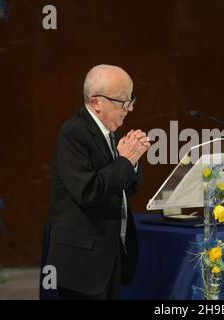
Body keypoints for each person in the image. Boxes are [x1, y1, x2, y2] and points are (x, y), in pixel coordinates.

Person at [46, 64, 150, 299]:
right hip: (82, 263)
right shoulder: (73, 133)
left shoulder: (111, 131)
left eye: (131, 99)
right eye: (123, 101)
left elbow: (131, 186)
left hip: (109, 256)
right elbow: (88, 191)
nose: (130, 108)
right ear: (96, 103)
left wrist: (131, 163)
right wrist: (126, 160)